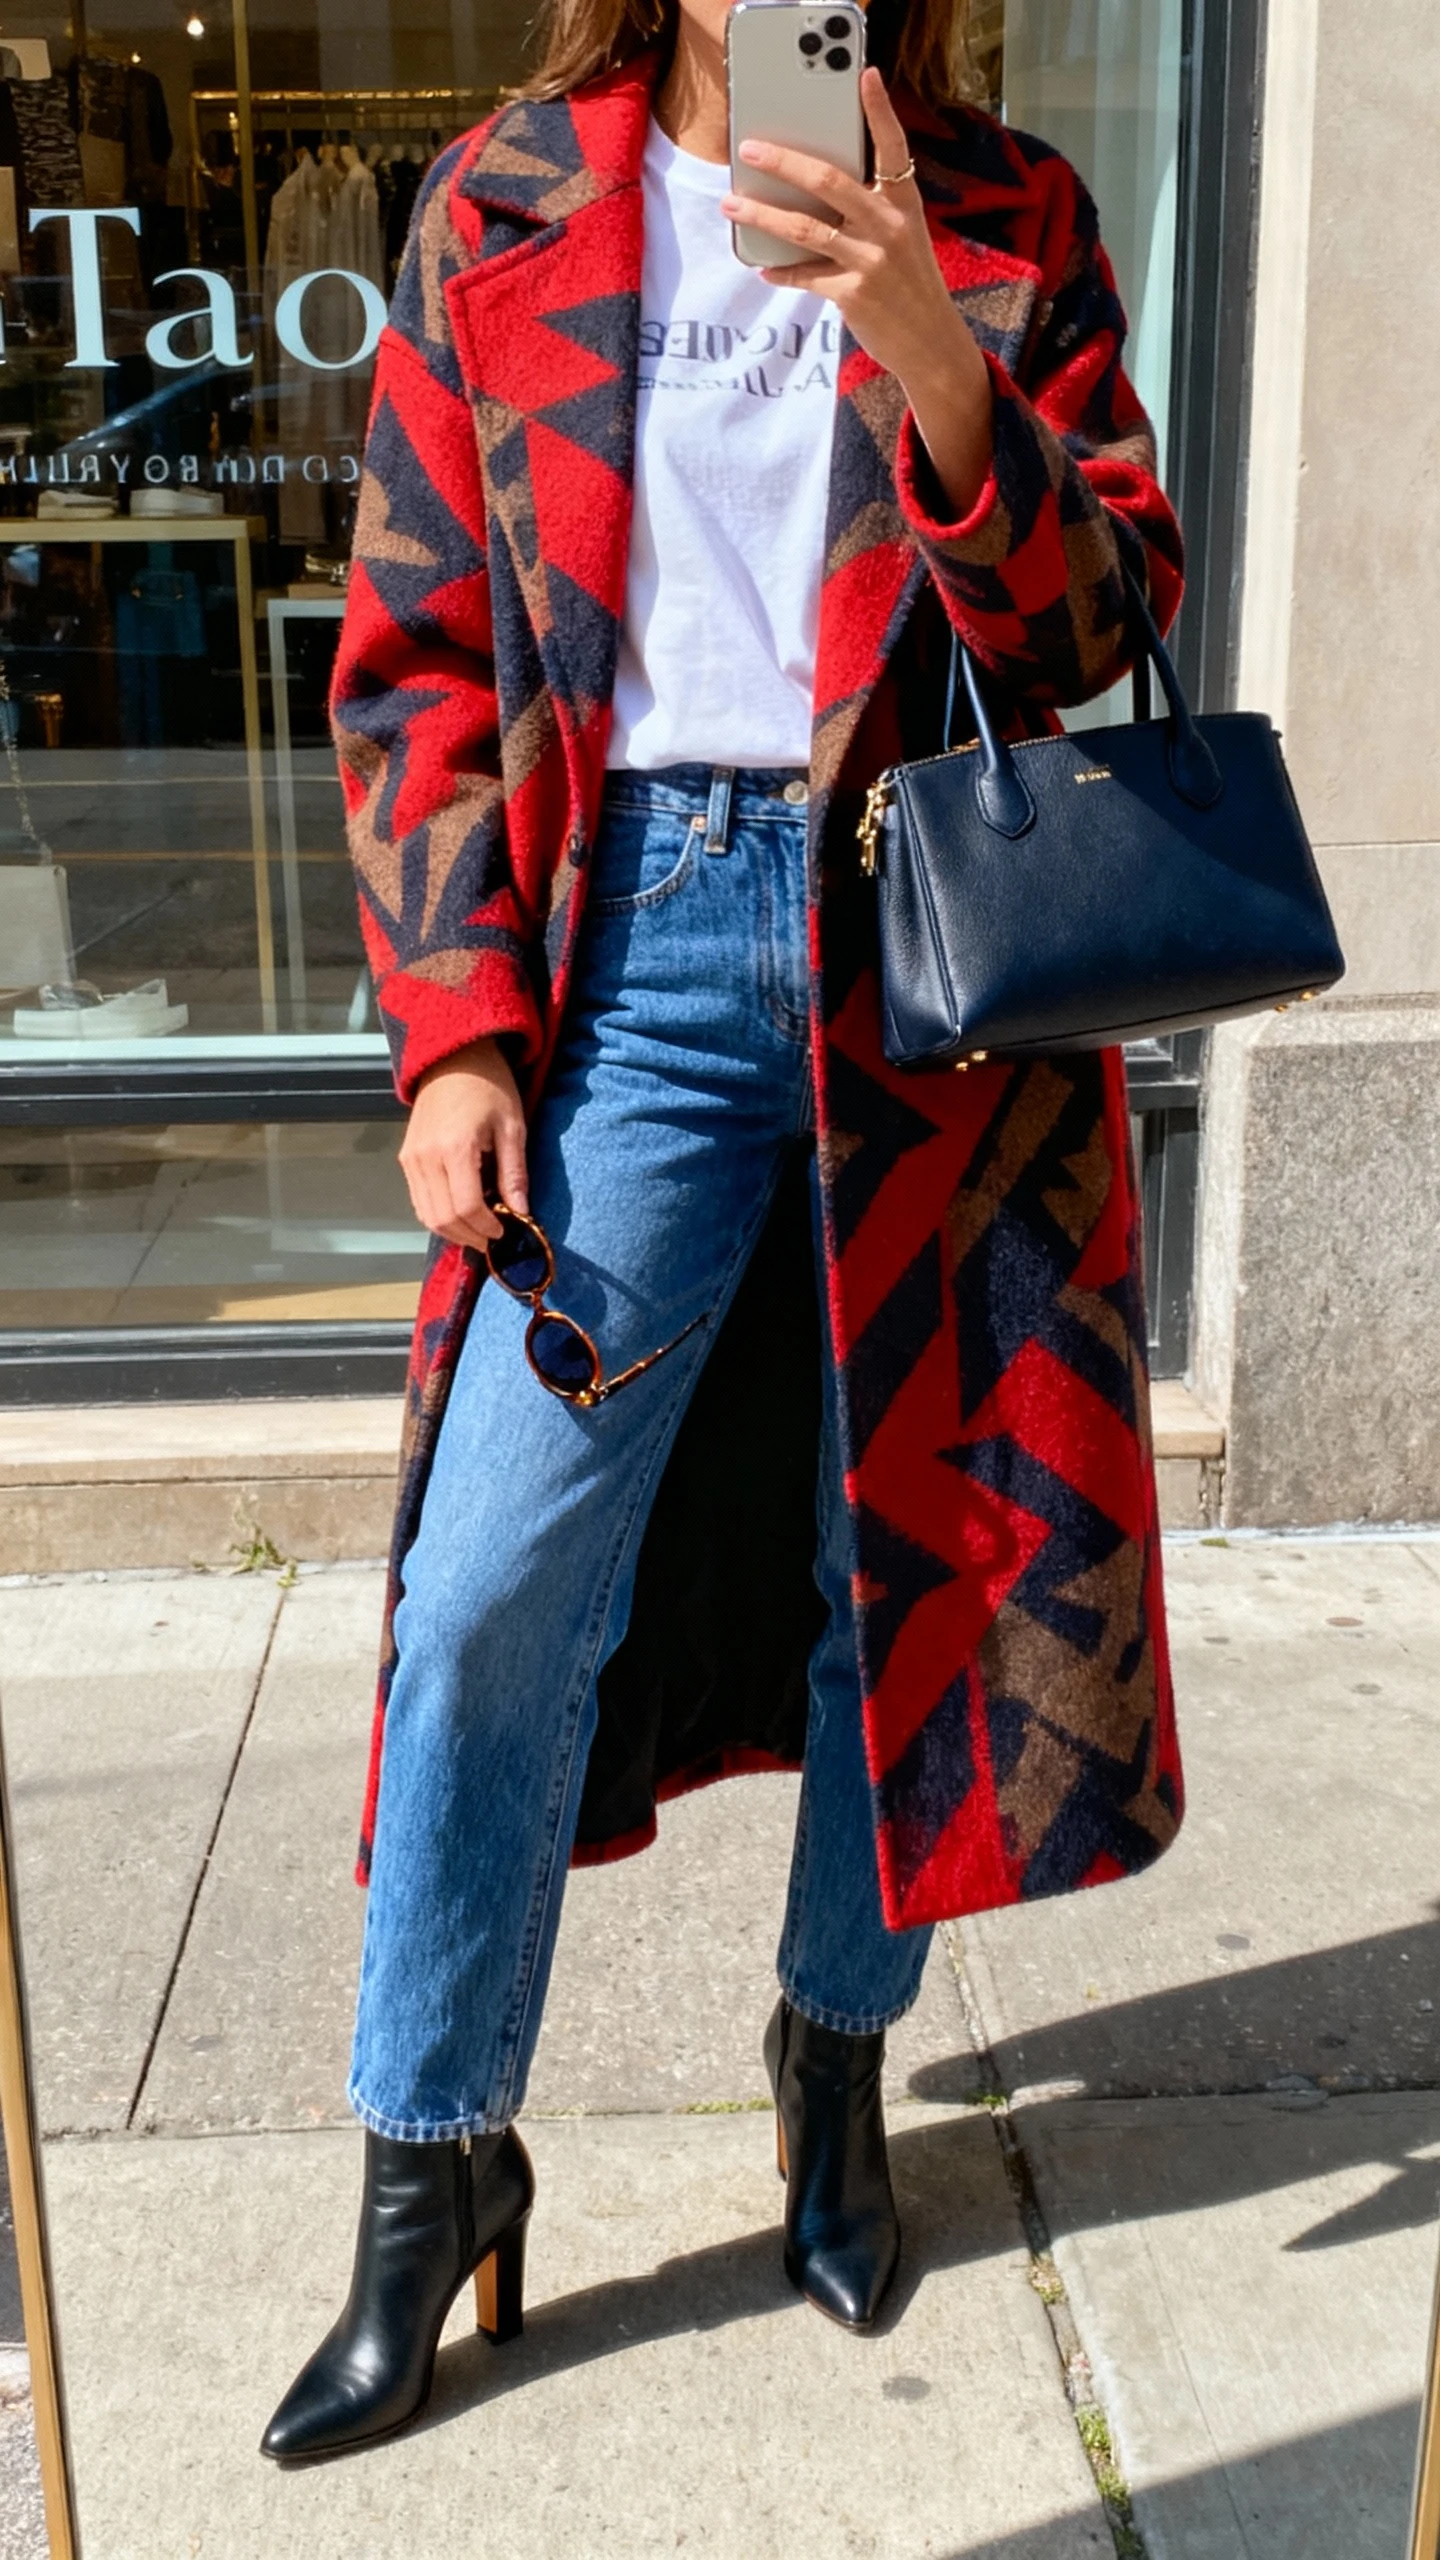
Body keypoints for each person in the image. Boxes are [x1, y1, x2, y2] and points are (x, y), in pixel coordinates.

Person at [261, 0, 1186, 2465]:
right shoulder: (505, 203)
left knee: (907, 1561)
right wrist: (453, 1031)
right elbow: (413, 657)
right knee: (488, 1585)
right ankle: (433, 2156)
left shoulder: (999, 211)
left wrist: (938, 360)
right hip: (633, 967)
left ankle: (834, 2054)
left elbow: (1099, 620)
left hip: (934, 969)